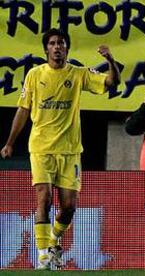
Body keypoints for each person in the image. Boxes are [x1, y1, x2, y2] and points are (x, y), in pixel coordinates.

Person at [0, 28, 120, 270]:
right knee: (43, 199)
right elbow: (23, 109)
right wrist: (10, 142)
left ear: (67, 48)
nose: (57, 47)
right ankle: (44, 256)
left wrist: (110, 61)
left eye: (61, 43)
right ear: (46, 49)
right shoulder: (34, 75)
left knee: (69, 207)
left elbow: (111, 82)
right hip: (41, 148)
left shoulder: (77, 74)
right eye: (53, 43)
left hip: (70, 150)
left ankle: (54, 239)